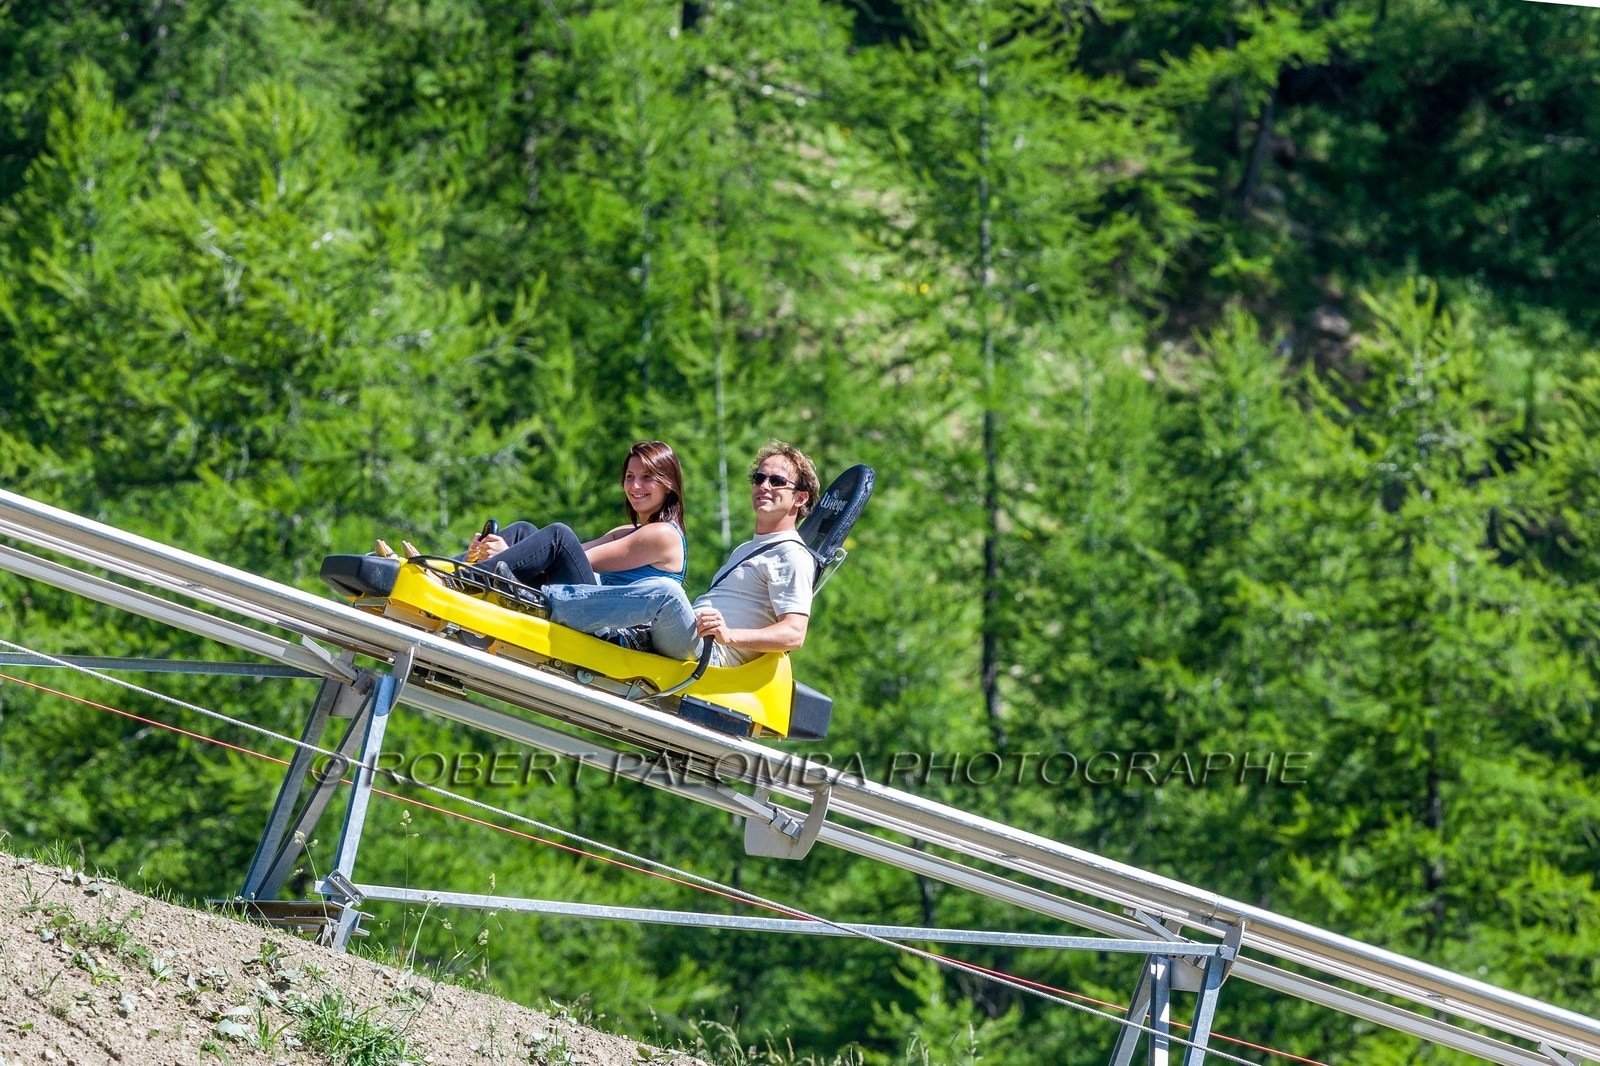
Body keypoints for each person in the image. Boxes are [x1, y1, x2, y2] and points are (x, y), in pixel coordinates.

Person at [540, 441, 820, 667]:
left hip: (710, 656)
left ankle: (546, 601)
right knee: (611, 579)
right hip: (689, 636)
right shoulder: (748, 549)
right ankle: (537, 583)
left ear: (800, 497)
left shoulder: (792, 555)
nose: (764, 487)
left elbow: (794, 634)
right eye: (759, 478)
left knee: (667, 592)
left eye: (777, 481)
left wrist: (730, 635)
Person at [380, 441, 687, 590]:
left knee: (558, 536)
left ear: (668, 484)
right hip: (596, 603)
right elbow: (574, 556)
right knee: (526, 531)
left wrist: (510, 555)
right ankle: (444, 568)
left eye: (647, 477)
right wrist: (493, 553)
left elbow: (574, 556)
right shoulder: (628, 530)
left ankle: (455, 579)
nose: (635, 486)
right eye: (630, 476)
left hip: (612, 624)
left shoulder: (663, 535)